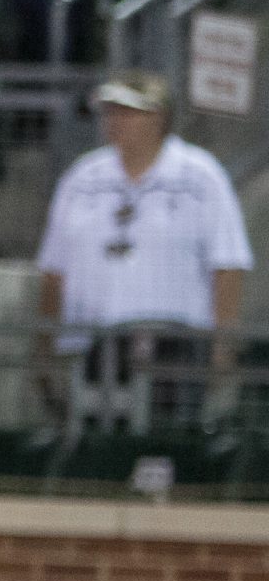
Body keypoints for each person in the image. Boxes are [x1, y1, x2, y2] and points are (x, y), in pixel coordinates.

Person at [35, 71, 251, 429]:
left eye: (128, 112)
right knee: (96, 446)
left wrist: (222, 345)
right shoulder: (82, 177)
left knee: (169, 442)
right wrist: (45, 345)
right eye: (109, 111)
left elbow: (228, 265)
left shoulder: (201, 176)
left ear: (158, 117)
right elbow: (54, 270)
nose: (114, 121)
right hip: (93, 341)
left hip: (176, 344)